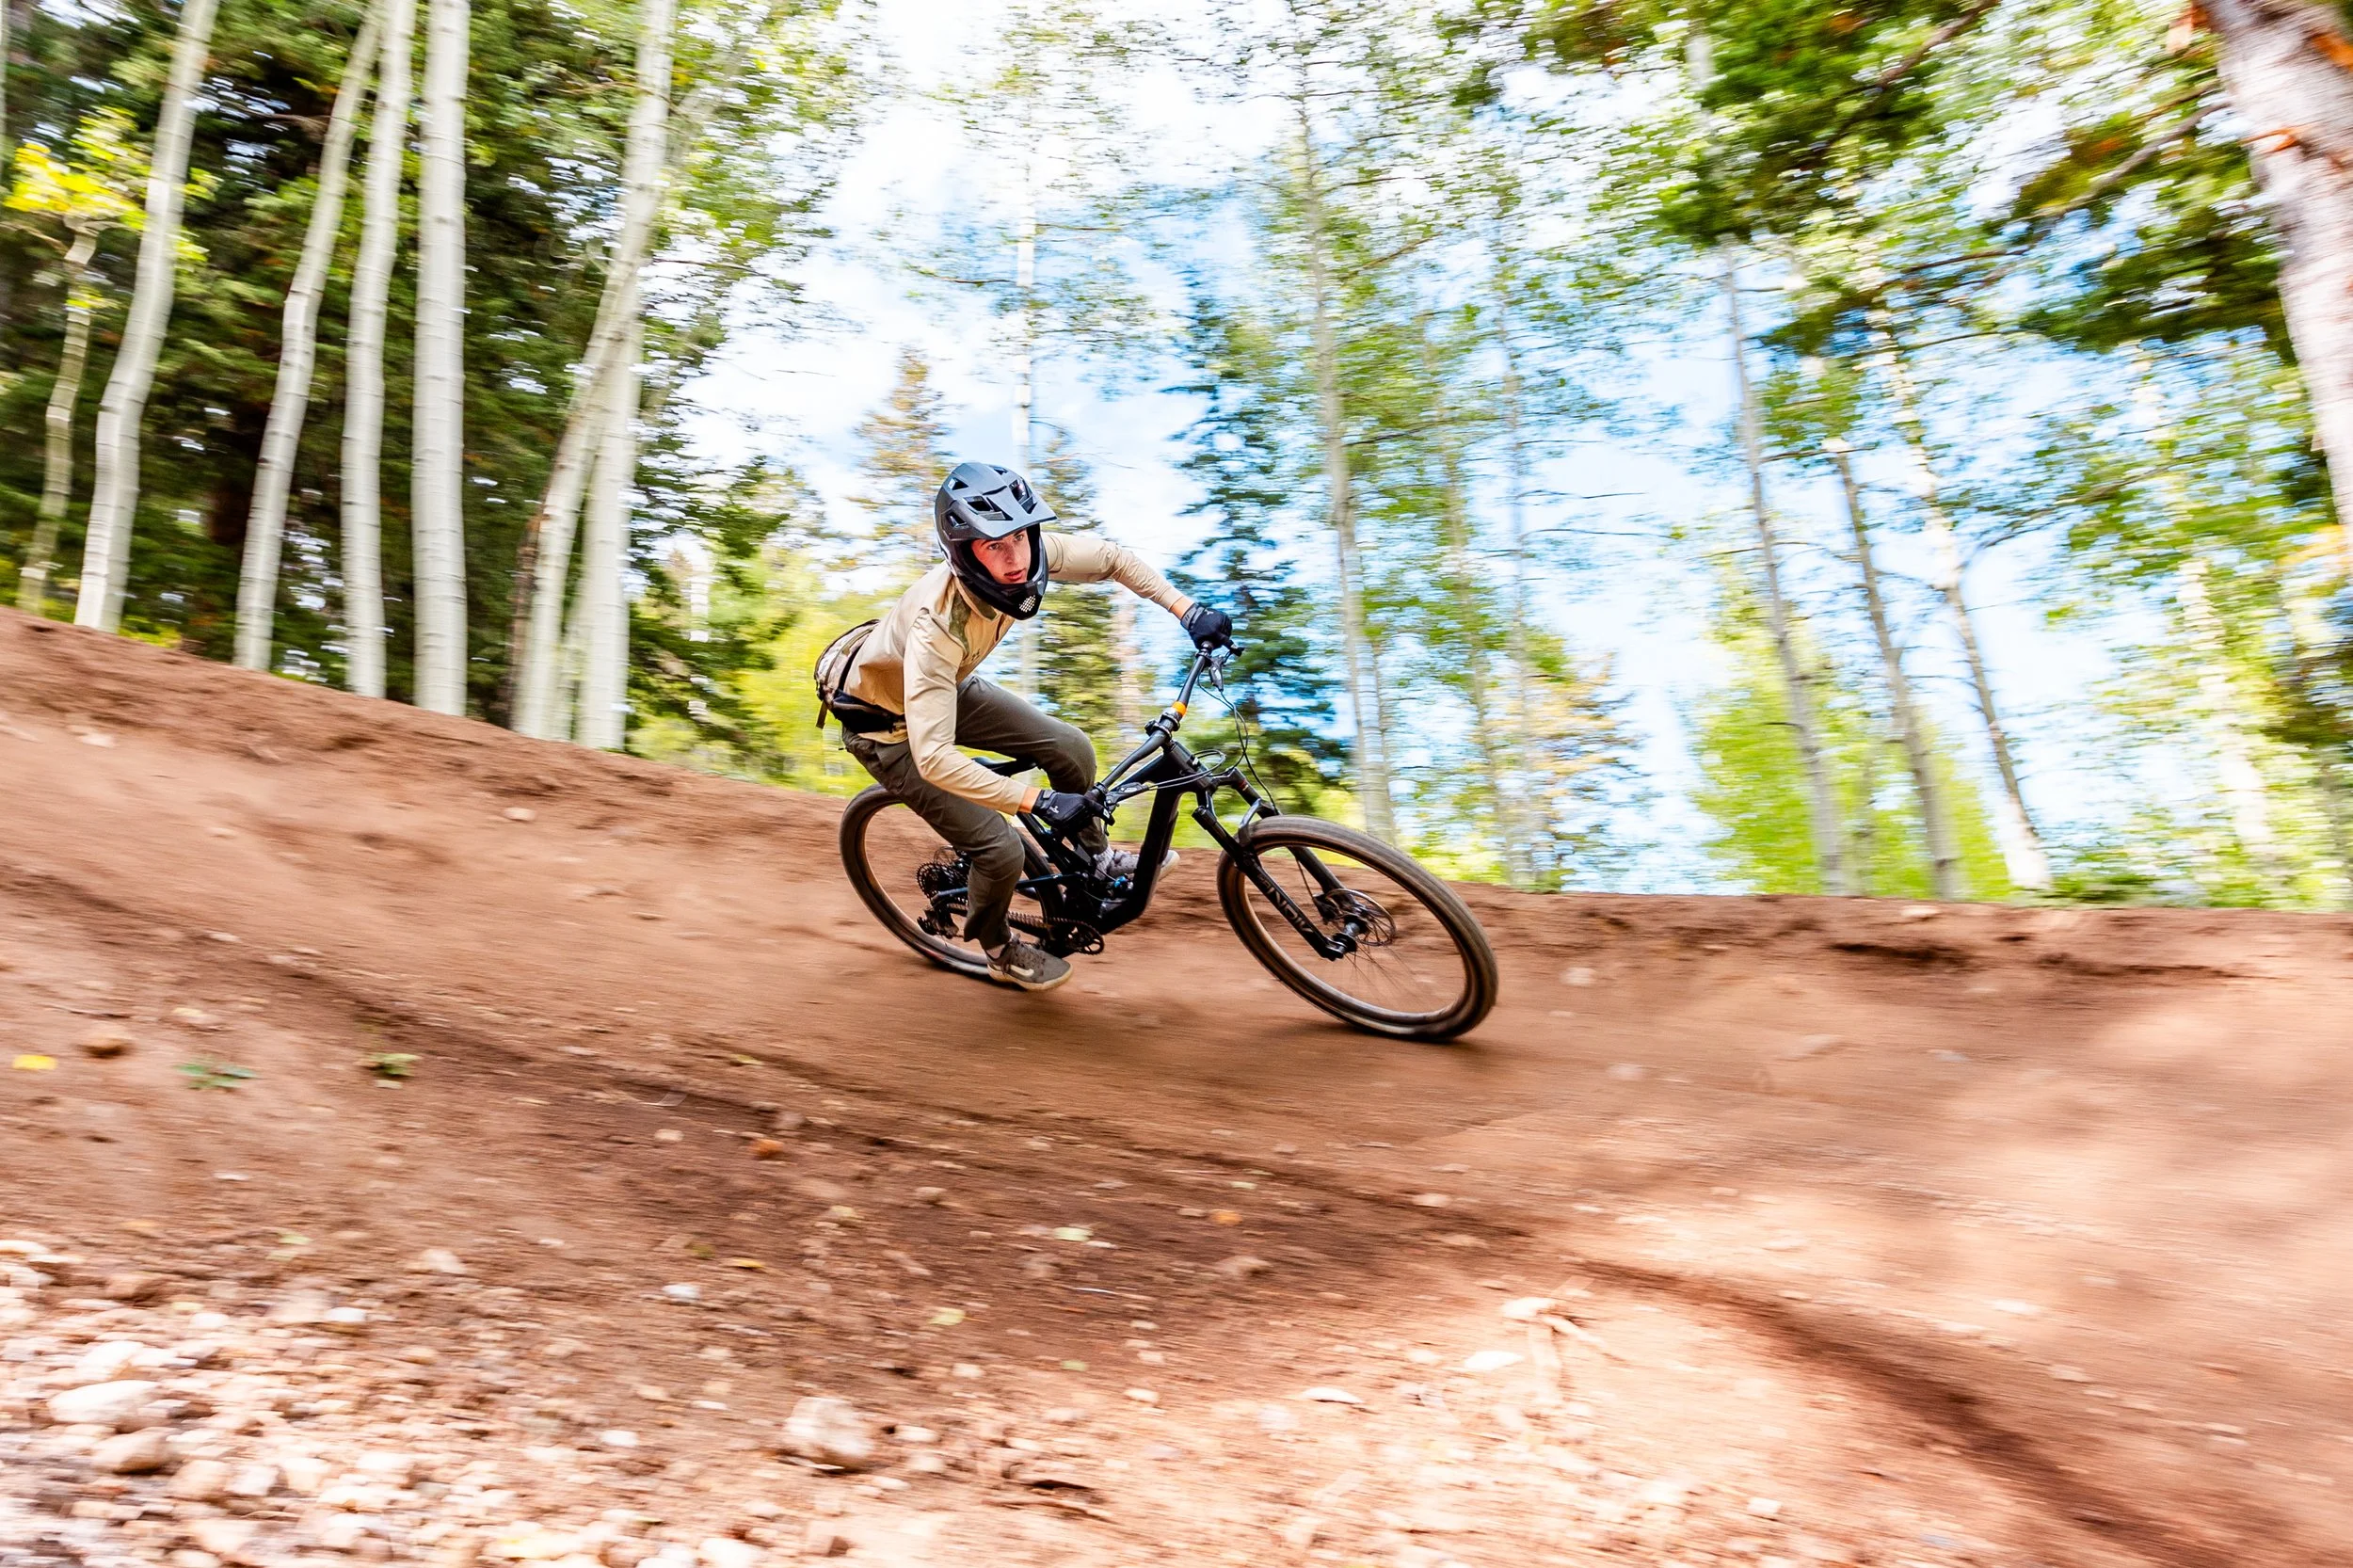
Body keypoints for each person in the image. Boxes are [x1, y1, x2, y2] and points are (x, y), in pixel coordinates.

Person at [829, 461, 1233, 993]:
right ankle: (997, 947)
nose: (1015, 557)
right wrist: (1036, 802)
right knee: (1001, 852)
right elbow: (934, 758)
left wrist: (1187, 611)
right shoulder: (939, 625)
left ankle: (1096, 858)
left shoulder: (1032, 554)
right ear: (963, 552)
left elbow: (1111, 559)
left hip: (943, 688)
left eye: (1019, 536)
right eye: (994, 545)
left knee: (1070, 747)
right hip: (890, 730)